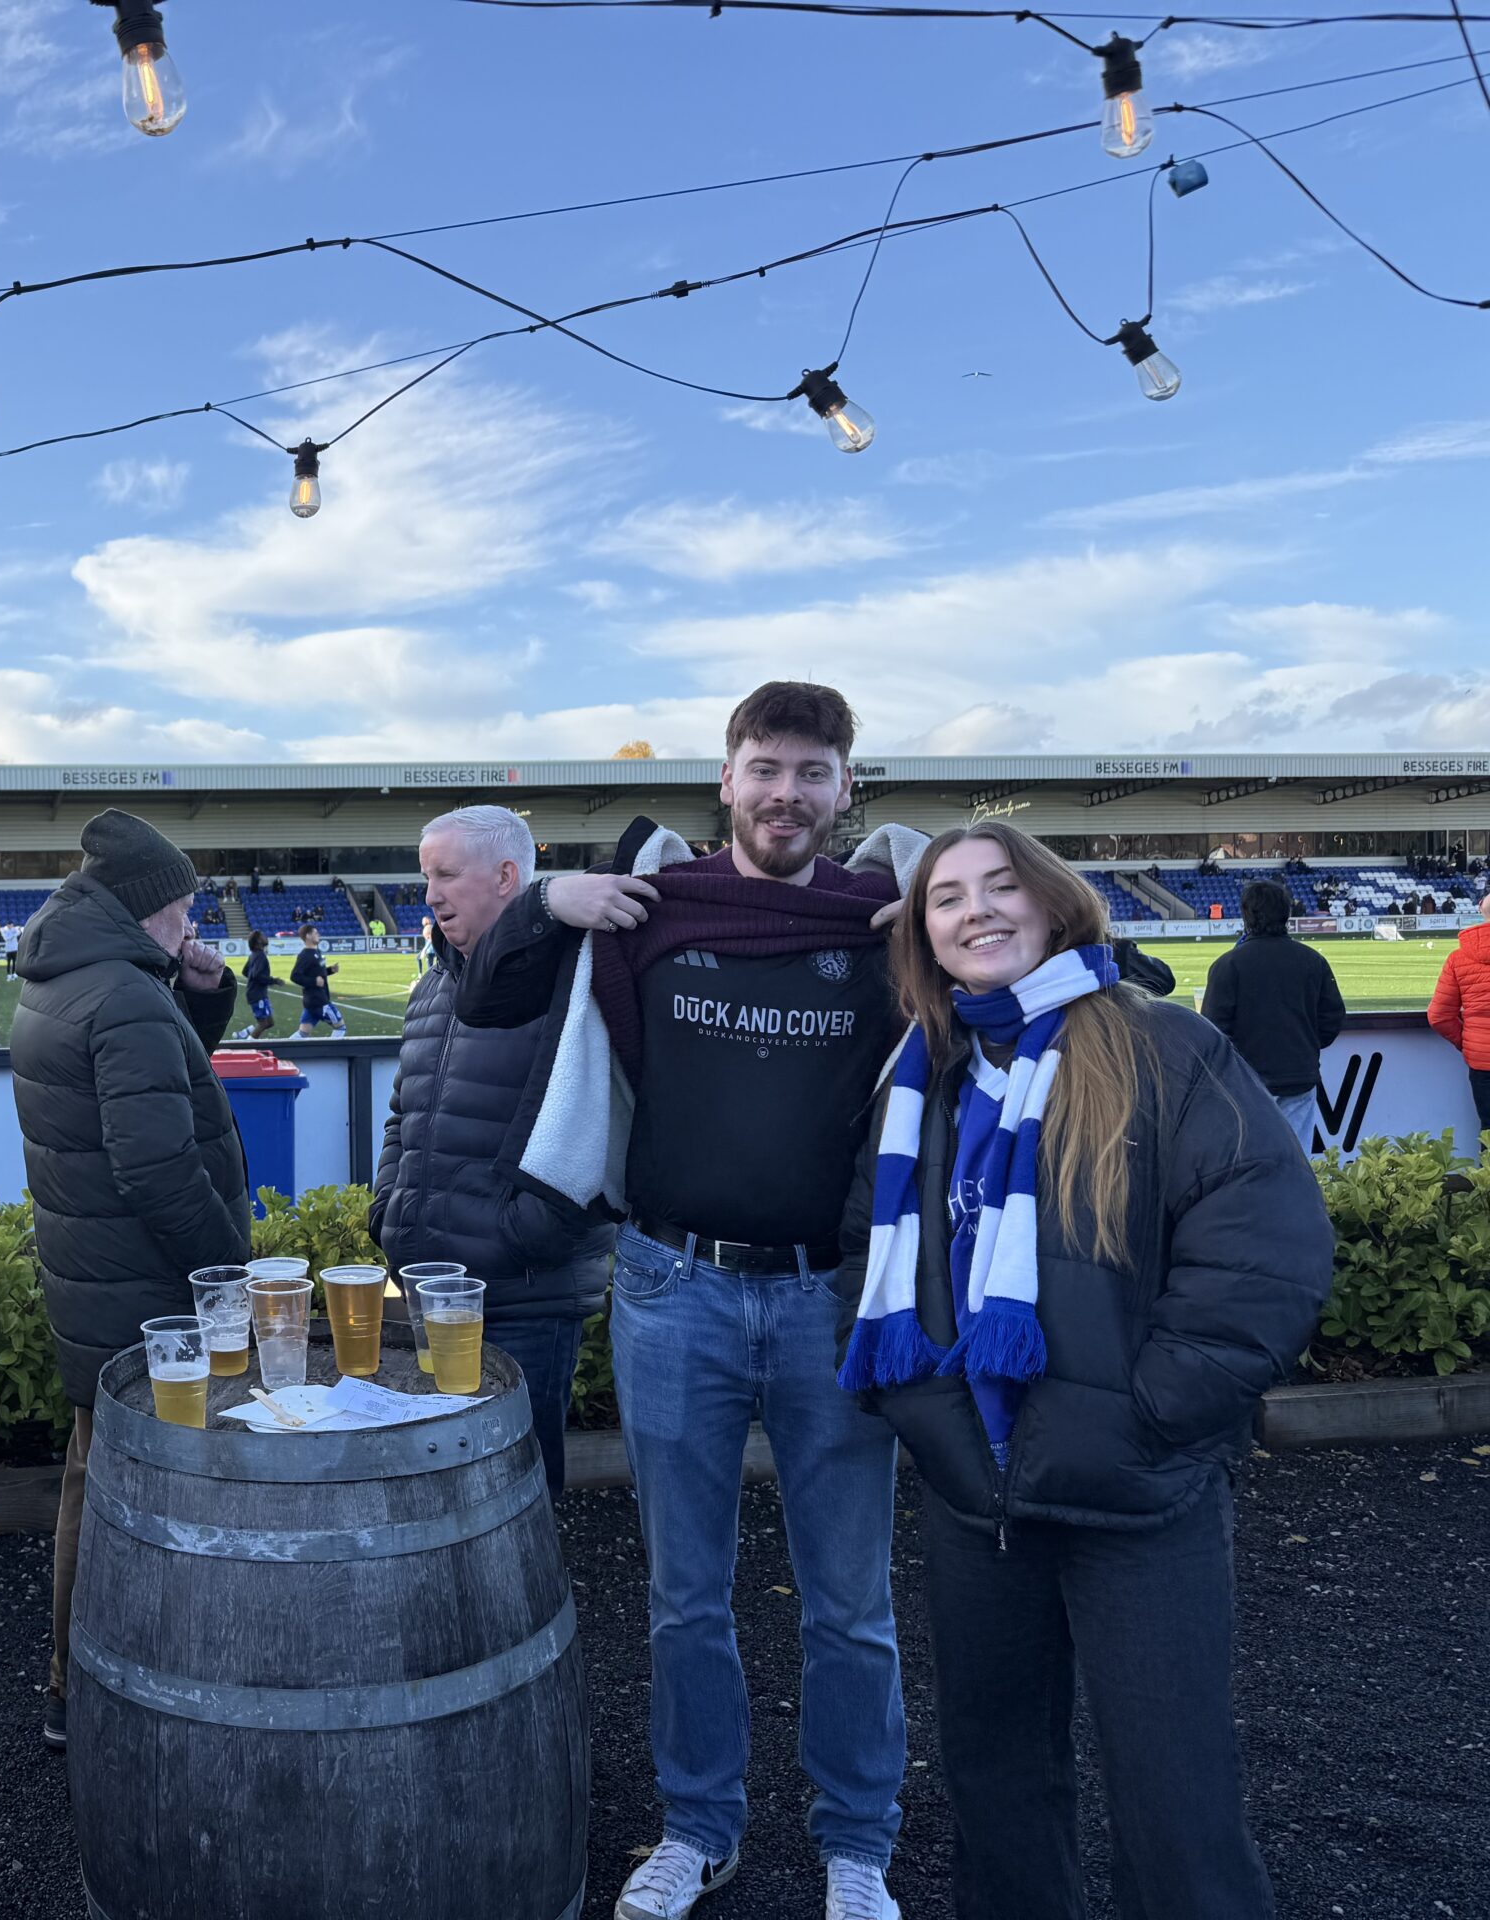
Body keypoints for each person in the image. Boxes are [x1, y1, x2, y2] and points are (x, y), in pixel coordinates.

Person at [455, 682, 917, 1920]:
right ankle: (697, 1828)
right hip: (672, 1288)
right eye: (765, 767)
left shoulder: (889, 924)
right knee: (683, 1597)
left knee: (851, 1601)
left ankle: (856, 1844)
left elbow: (1046, 967)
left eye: (811, 772)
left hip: (831, 1300)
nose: (785, 793)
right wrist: (546, 900)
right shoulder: (648, 910)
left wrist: (939, 890)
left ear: (845, 789)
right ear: (725, 778)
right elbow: (482, 988)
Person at [836, 822, 1330, 1920]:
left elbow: (1266, 1251)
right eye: (947, 898)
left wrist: (1152, 1415)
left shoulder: (1162, 1047)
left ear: (1055, 904)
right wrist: (925, 1416)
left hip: (1136, 1495)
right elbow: (862, 1256)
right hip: (976, 1495)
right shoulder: (923, 1072)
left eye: (1000, 886)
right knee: (997, 1792)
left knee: (1176, 1811)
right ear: (924, 936)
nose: (976, 911)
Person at [9, 809, 247, 1753]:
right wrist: (227, 1276)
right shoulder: (123, 994)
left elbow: (152, 1085)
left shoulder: (75, 976)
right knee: (138, 1494)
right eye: (186, 904)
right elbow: (156, 1165)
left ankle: (71, 1684)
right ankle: (109, 1689)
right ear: (150, 904)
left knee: (93, 1476)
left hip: (95, 1278)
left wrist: (202, 998)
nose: (193, 920)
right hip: (148, 1294)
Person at [370, 806, 612, 1493]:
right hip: (428, 1290)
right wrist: (388, 1211)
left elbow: (597, 1131)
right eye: (426, 877)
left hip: (524, 1296)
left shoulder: (573, 983)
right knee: (439, 1493)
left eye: (446, 875)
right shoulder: (431, 986)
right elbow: (403, 1114)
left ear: (508, 877)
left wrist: (518, 1239)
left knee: (515, 1499)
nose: (430, 895)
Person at [1202, 879, 1346, 1151]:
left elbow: (1212, 1031)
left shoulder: (1227, 965)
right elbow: (1332, 1019)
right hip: (1298, 1077)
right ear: (1286, 914)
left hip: (1245, 1085)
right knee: (1296, 1159)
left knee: (1251, 1161)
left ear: (1246, 915)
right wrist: (1304, 1045)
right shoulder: (1312, 961)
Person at [1427, 915, 1490, 1143]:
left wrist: (1468, 1042)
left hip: (1483, 1060)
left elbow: (1438, 1016)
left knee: (1489, 1130)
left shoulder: (1458, 957)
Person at [291, 926, 344, 1037]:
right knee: (340, 1028)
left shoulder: (317, 952)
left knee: (303, 1034)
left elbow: (318, 973)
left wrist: (330, 970)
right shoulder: (305, 955)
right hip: (319, 1001)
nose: (318, 935)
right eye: (315, 933)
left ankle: (284, 1048)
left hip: (311, 1003)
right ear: (308, 936)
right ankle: (330, 1049)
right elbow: (295, 976)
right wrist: (313, 981)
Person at [233, 929, 276, 1040]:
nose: (265, 937)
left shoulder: (254, 955)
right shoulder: (260, 956)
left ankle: (244, 1033)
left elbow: (245, 972)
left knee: (270, 1022)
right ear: (258, 941)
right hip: (257, 995)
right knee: (264, 1023)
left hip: (257, 993)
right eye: (262, 936)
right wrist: (273, 980)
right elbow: (257, 975)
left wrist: (253, 980)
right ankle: (248, 1043)